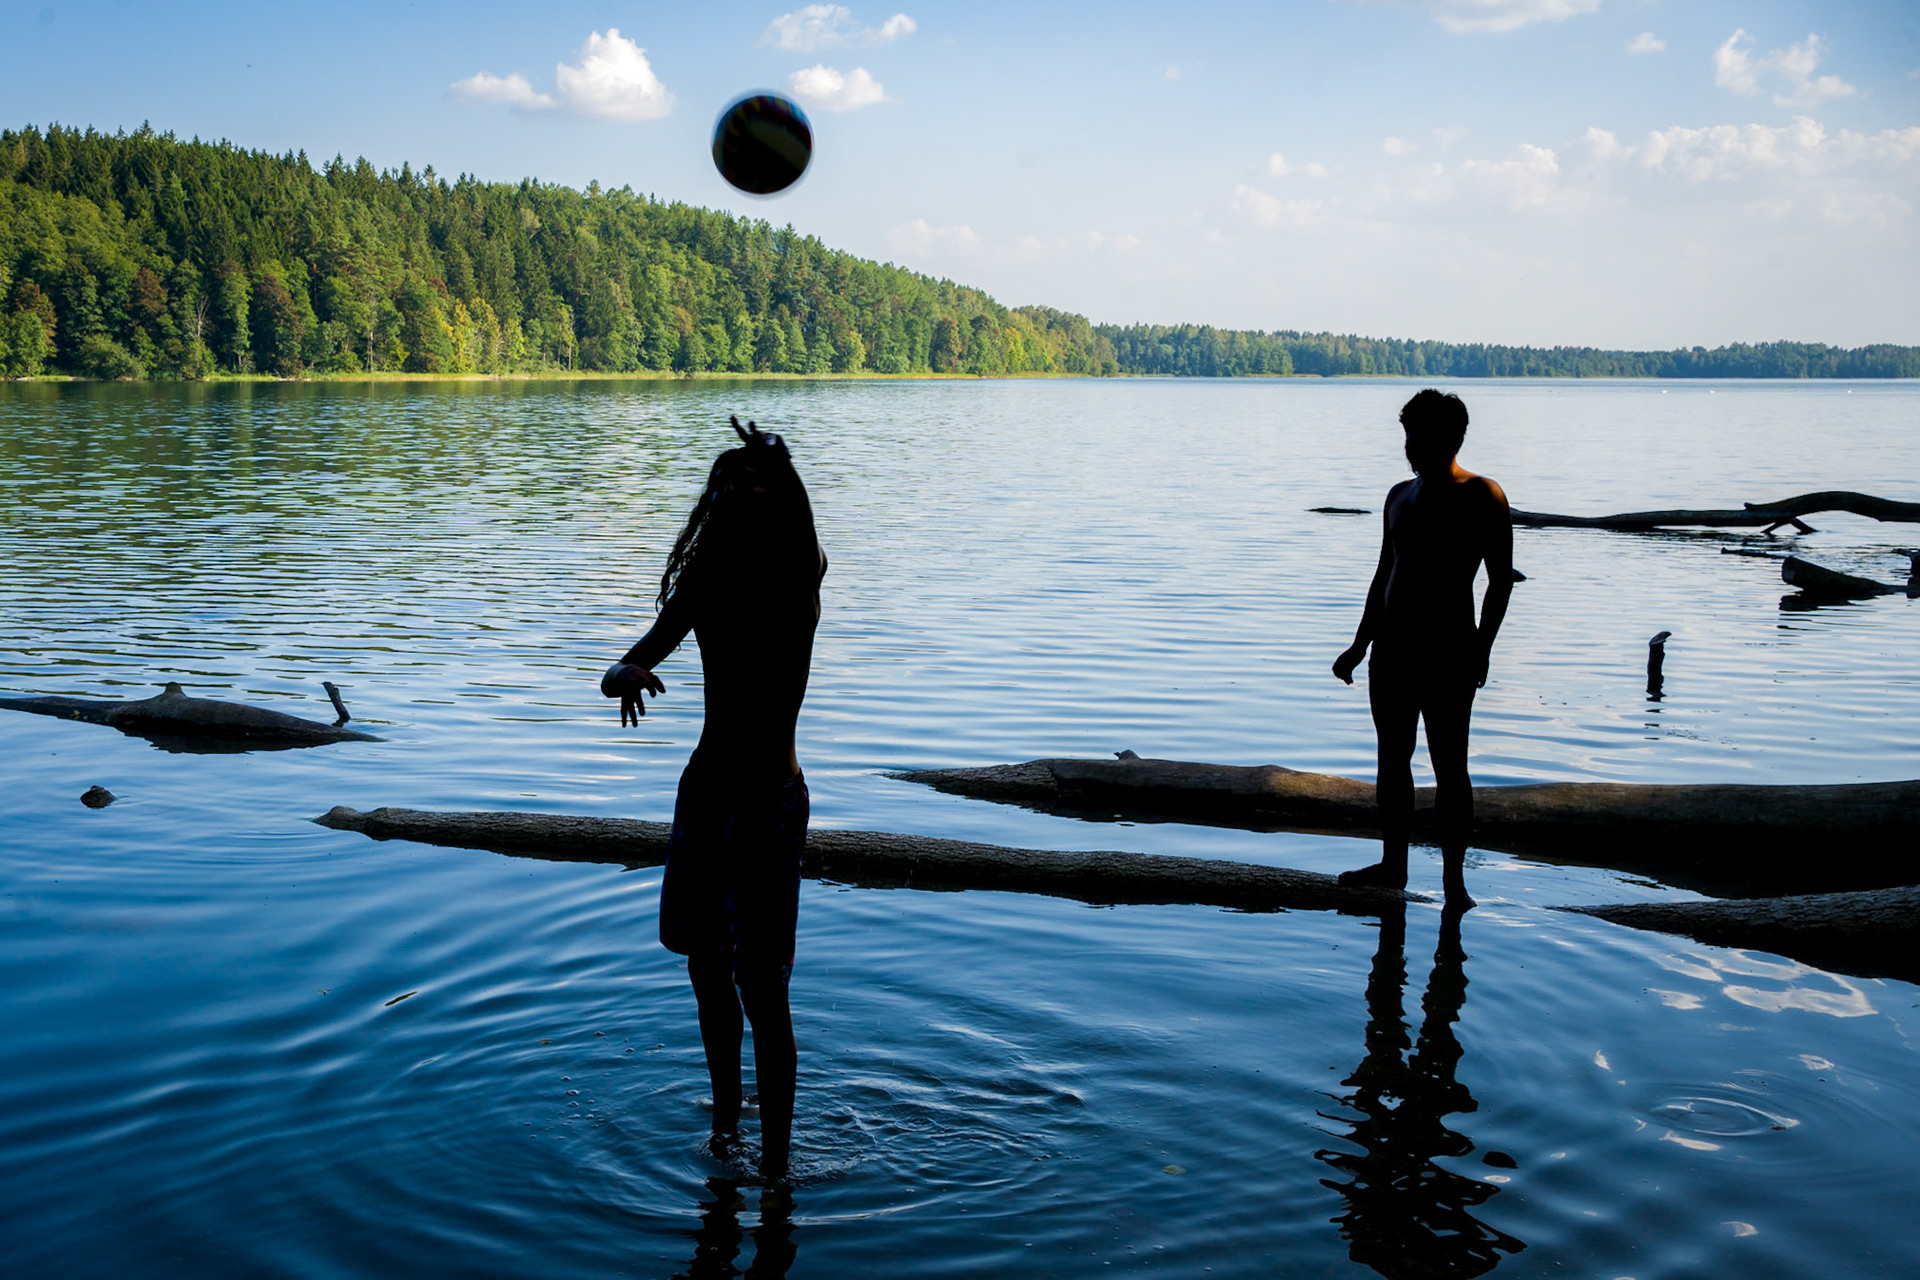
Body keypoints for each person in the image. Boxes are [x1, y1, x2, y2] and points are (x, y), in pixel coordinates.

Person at [603, 416, 827, 1181]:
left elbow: (805, 543)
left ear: (784, 499)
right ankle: (726, 1129)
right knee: (705, 971)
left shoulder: (799, 576)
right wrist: (624, 674)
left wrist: (777, 460)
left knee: (762, 988)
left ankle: (775, 1172)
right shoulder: (706, 581)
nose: (739, 496)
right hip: (705, 796)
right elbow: (635, 655)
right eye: (728, 487)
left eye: (757, 486)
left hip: (769, 802)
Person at [1332, 390, 1511, 906]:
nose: (1409, 446)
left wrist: (1482, 648)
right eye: (1407, 435)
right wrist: (1358, 644)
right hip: (1392, 651)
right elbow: (1384, 574)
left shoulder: (1483, 495)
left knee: (1449, 766)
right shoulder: (1399, 496)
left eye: (1418, 436)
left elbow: (1499, 582)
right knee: (1393, 759)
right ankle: (1394, 866)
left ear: (1450, 438)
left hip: (1450, 650)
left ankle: (1455, 884)